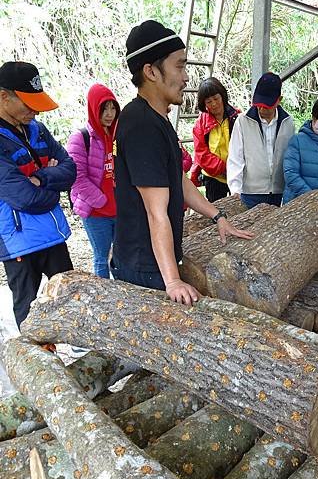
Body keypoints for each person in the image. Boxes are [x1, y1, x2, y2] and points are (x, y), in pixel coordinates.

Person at [112, 19, 253, 305]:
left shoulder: (158, 117)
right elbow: (156, 212)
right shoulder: (141, 124)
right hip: (145, 266)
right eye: (179, 66)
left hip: (156, 262)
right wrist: (173, 280)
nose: (187, 77)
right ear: (151, 71)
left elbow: (177, 179)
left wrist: (218, 217)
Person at [0, 61, 75, 327]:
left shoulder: (37, 129)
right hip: (19, 241)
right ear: (4, 96)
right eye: (28, 103)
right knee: (28, 310)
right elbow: (24, 197)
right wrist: (54, 191)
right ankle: (35, 361)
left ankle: (81, 354)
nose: (35, 110)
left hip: (53, 234)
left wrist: (41, 177)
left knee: (70, 297)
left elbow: (70, 170)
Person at [67, 83, 120, 278]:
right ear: (93, 108)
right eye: (103, 108)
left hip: (119, 209)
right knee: (101, 257)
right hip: (96, 212)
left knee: (121, 255)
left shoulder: (117, 135)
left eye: (112, 108)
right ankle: (102, 297)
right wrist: (101, 200)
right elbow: (77, 178)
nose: (109, 113)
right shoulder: (80, 138)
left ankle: (123, 295)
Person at [227, 72, 295, 208]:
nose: (262, 109)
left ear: (279, 100)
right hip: (250, 193)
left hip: (278, 192)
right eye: (259, 104)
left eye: (267, 105)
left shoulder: (288, 122)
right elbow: (236, 158)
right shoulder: (243, 121)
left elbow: (291, 157)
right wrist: (235, 190)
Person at [191, 77, 239, 202]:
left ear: (222, 96)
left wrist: (234, 170)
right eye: (208, 101)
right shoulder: (200, 124)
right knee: (217, 212)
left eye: (216, 99)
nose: (213, 104)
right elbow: (202, 155)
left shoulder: (237, 117)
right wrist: (224, 169)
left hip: (237, 174)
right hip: (214, 178)